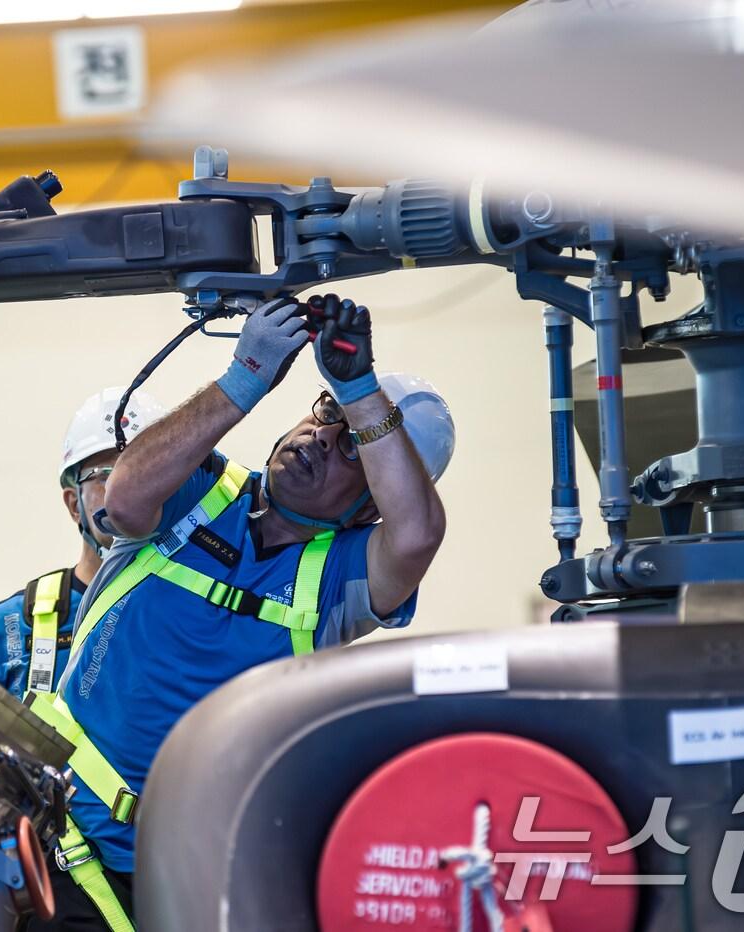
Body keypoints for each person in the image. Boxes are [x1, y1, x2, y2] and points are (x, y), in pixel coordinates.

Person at [32, 294, 452, 931]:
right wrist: (243, 380)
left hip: (185, 870)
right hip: (55, 837)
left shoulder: (341, 579)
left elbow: (417, 536)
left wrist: (362, 390)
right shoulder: (202, 489)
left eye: (350, 450)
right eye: (324, 413)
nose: (319, 438)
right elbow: (124, 495)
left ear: (372, 504)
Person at [0, 388, 165, 700]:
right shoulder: (10, 629)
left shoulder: (204, 608)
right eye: (107, 475)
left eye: (149, 472)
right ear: (73, 504)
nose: (130, 491)